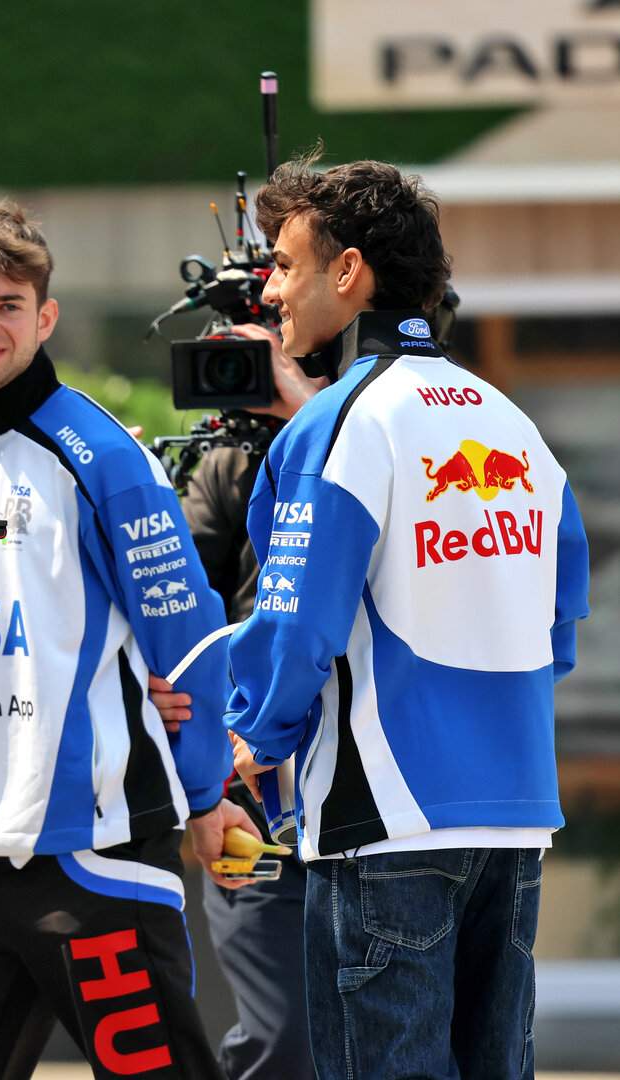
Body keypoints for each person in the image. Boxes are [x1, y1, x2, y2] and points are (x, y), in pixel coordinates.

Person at [225, 151, 589, 1080]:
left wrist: (253, 737)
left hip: (384, 821)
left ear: (349, 272)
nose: (270, 288)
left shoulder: (340, 423)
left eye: (285, 264)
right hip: (514, 820)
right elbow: (559, 626)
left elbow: (294, 625)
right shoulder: (513, 424)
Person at [0, 201, 257, 1080]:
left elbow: (189, 639)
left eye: (8, 306)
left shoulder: (103, 455)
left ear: (45, 317)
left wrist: (205, 795)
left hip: (98, 855)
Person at [153, 324, 325, 1080]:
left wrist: (309, 416)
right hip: (250, 797)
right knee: (283, 1036)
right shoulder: (226, 463)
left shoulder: (374, 438)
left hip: (376, 793)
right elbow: (181, 615)